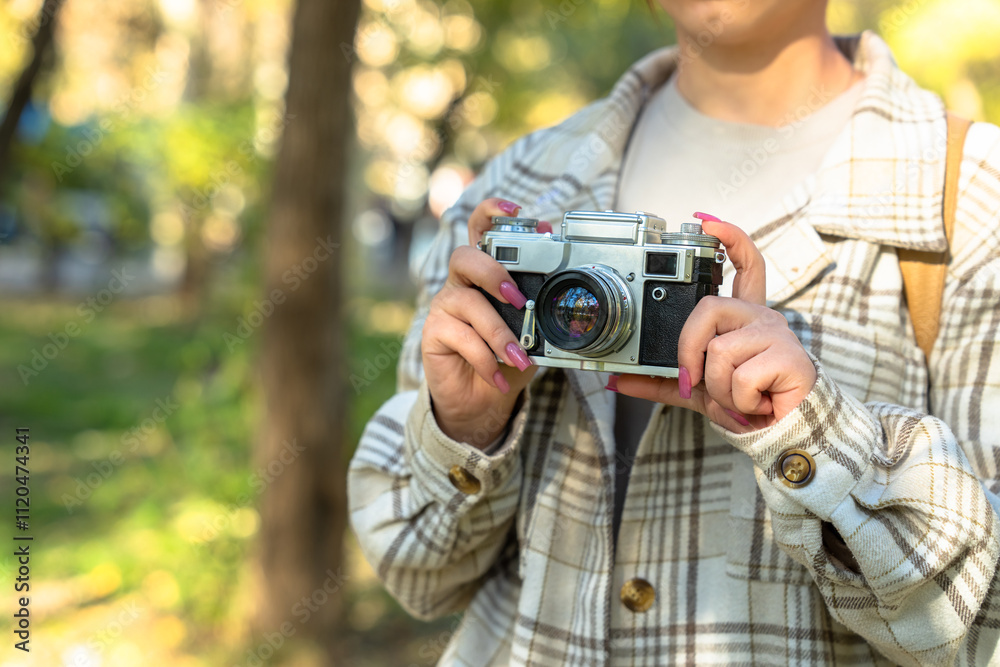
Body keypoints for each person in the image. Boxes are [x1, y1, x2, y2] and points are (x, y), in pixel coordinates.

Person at [348, 0, 1000, 664]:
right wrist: (465, 427)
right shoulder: (520, 186)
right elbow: (417, 574)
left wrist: (814, 436)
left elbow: (984, 625)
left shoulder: (974, 204)